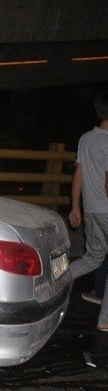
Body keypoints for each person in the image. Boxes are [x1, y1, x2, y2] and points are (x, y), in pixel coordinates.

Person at [67, 91, 108, 331]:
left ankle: (54, 284)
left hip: (91, 210)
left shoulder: (86, 138)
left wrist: (75, 207)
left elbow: (78, 175)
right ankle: (105, 319)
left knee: (93, 257)